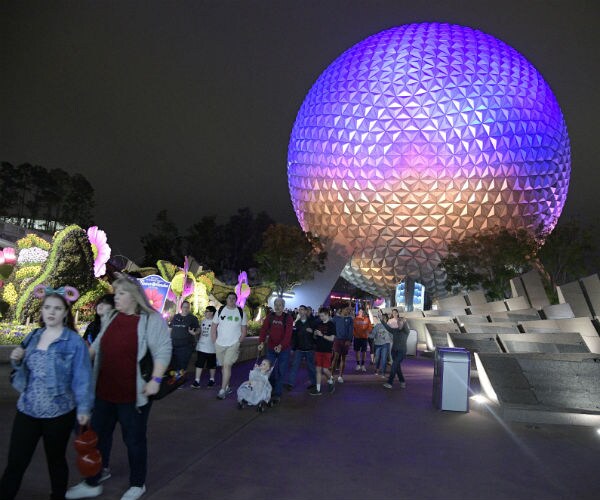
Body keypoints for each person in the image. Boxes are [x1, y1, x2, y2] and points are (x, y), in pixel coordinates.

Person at [66, 273, 172, 500]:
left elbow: (163, 349)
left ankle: (137, 483)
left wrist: (155, 380)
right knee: (98, 435)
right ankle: (94, 478)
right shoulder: (112, 317)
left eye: (122, 293)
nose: (117, 297)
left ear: (134, 297)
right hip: (104, 391)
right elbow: (96, 346)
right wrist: (76, 364)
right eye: (116, 293)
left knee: (133, 438)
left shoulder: (151, 319)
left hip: (133, 394)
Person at [1, 286, 93, 500]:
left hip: (59, 413)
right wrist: (17, 357)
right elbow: (22, 368)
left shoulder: (73, 342)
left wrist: (84, 409)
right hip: (27, 409)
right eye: (47, 307)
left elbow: (82, 378)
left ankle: (57, 496)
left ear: (65, 312)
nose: (51, 312)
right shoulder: (34, 336)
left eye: (57, 308)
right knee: (16, 461)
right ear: (41, 311)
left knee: (56, 460)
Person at [211, 292, 247, 400]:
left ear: (236, 300)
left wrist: (239, 341)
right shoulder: (220, 311)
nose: (231, 300)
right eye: (229, 298)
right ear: (226, 300)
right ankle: (226, 386)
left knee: (226, 365)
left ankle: (222, 390)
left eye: (233, 298)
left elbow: (244, 330)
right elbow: (214, 327)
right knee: (224, 366)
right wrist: (214, 341)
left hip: (233, 344)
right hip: (220, 343)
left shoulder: (241, 312)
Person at [258, 297, 293, 403]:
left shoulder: (288, 318)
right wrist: (261, 342)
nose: (277, 307)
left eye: (280, 305)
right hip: (271, 348)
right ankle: (271, 388)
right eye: (276, 304)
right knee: (270, 369)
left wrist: (281, 346)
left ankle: (277, 393)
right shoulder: (270, 316)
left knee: (281, 371)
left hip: (284, 349)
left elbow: (288, 335)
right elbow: (264, 330)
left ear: (283, 306)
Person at [285, 305, 317, 391]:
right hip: (299, 349)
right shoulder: (298, 323)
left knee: (311, 367)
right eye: (299, 310)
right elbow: (294, 337)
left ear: (306, 311)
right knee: (294, 366)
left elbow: (317, 335)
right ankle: (290, 384)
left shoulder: (312, 322)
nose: (300, 311)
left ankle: (314, 383)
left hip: (309, 349)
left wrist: (313, 332)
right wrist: (293, 348)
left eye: (302, 309)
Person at [168, 300, 200, 383]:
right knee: (174, 364)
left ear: (189, 308)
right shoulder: (175, 317)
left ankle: (179, 381)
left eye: (187, 307)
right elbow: (170, 328)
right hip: (174, 344)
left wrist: (195, 332)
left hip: (186, 346)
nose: (186, 309)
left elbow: (198, 329)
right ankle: (176, 380)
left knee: (182, 364)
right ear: (181, 307)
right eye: (184, 307)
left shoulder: (192, 318)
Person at [309, 307, 336, 396]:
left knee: (325, 370)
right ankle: (318, 389)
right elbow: (315, 337)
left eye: (323, 316)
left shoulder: (331, 324)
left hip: (327, 350)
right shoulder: (318, 324)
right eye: (320, 316)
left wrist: (322, 335)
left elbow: (332, 338)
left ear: (328, 315)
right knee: (318, 370)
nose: (321, 318)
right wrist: (315, 334)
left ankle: (331, 379)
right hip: (318, 349)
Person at [380, 313, 410, 390]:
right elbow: (388, 328)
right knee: (397, 367)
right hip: (394, 351)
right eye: (398, 322)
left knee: (394, 365)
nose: (399, 323)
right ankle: (402, 381)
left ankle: (390, 382)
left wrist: (404, 320)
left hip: (401, 351)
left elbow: (405, 327)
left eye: (400, 322)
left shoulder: (406, 331)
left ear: (403, 323)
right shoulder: (395, 330)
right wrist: (382, 320)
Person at [191, 306, 217, 388]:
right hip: (201, 347)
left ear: (212, 313)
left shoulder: (216, 322)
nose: (205, 312)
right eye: (205, 311)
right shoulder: (203, 321)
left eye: (207, 311)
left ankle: (212, 380)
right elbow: (200, 331)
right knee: (199, 364)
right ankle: (197, 381)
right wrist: (195, 333)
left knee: (212, 365)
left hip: (212, 348)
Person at [331, 304, 353, 383]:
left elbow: (351, 331)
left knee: (343, 359)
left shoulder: (350, 319)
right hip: (337, 340)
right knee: (335, 358)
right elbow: (331, 327)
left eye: (348, 310)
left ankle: (340, 376)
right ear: (342, 310)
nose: (348, 311)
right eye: (346, 309)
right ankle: (331, 376)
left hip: (345, 341)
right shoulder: (335, 318)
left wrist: (349, 340)